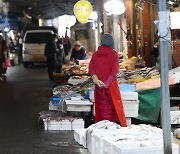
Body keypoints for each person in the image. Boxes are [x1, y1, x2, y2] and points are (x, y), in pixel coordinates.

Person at [89, 33, 127, 127]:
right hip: (111, 86)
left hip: (99, 86)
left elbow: (91, 67)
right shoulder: (114, 54)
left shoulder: (95, 55)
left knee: (103, 108)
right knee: (115, 107)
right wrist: (107, 83)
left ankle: (104, 127)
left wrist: (95, 78)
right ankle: (114, 127)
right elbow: (115, 70)